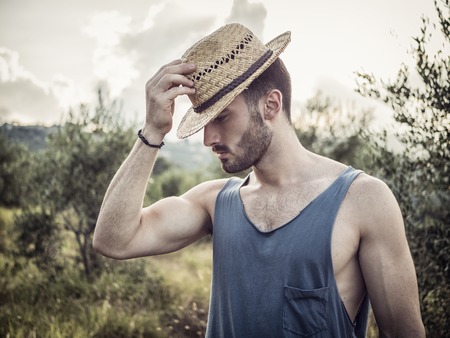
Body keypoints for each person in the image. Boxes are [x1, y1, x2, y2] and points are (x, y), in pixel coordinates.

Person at [93, 23, 425, 337]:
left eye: (222, 116)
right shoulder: (214, 202)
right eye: (204, 122)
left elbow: (403, 332)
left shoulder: (363, 200)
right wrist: (152, 131)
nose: (208, 139)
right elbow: (113, 240)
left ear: (270, 105)